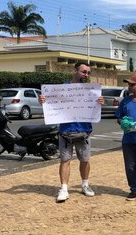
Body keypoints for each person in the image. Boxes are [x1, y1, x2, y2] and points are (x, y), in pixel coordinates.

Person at [39, 62, 104, 203]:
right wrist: (43, 100)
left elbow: (95, 107)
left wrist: (100, 101)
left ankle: (85, 185)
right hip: (66, 131)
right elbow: (50, 103)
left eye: (88, 73)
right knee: (65, 160)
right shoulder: (62, 88)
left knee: (85, 160)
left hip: (84, 131)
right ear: (75, 70)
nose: (86, 75)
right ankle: (64, 189)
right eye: (83, 72)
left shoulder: (92, 90)